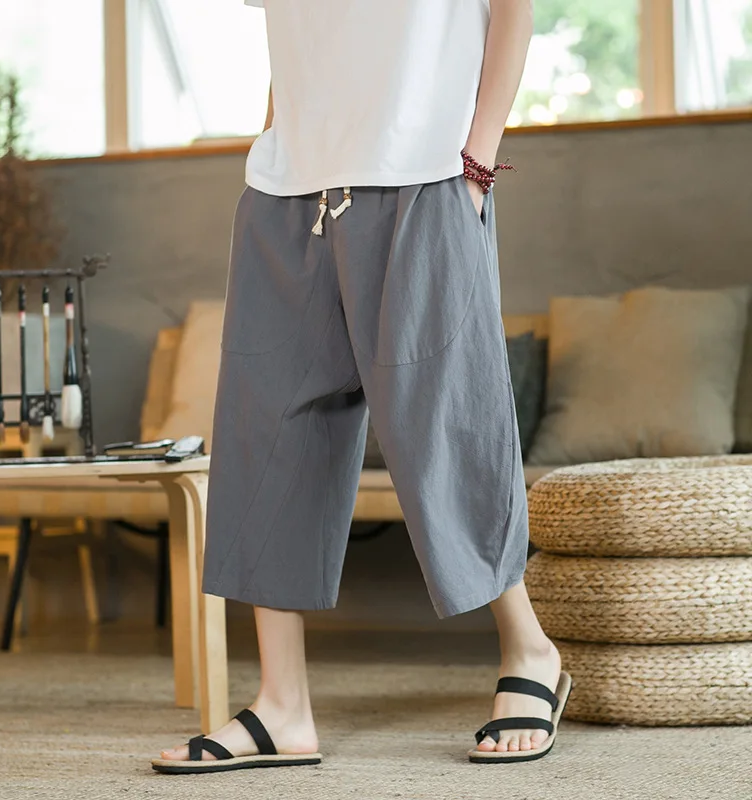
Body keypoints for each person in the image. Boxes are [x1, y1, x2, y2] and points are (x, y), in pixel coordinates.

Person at [153, 0, 571, 774]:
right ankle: (282, 705)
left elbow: (513, 8)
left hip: (426, 175)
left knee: (442, 423)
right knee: (269, 434)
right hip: (288, 189)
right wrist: (279, 147)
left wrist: (477, 165)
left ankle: (529, 648)